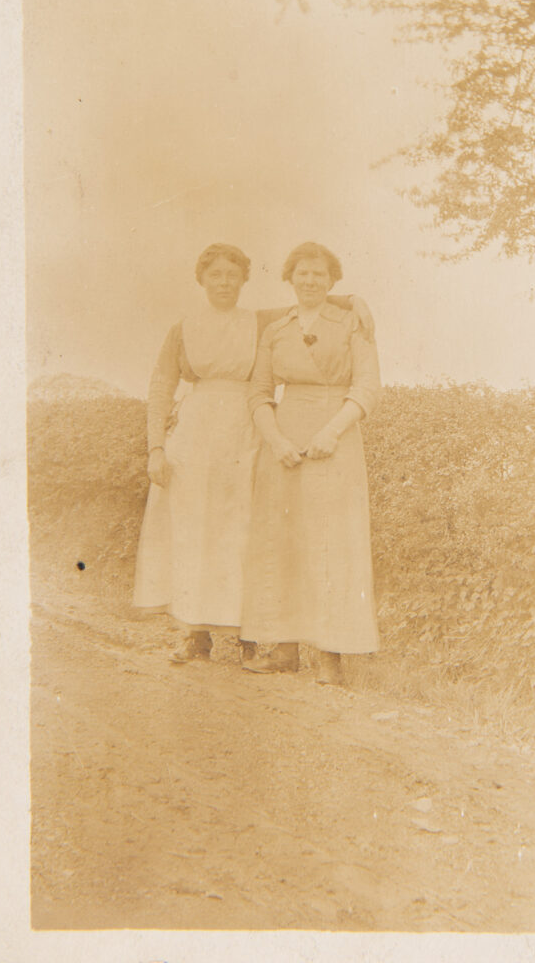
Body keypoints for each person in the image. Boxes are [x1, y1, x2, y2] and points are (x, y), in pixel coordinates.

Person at [133, 242, 374, 663]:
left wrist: (352, 299)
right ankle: (194, 634)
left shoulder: (262, 321)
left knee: (245, 530)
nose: (224, 283)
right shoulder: (183, 327)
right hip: (193, 437)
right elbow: (160, 387)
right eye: (215, 276)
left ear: (245, 280)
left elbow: (309, 297)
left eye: (233, 275)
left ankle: (246, 637)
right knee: (193, 529)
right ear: (201, 279)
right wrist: (155, 447)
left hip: (247, 433)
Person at [240, 242, 381, 685]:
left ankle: (329, 656)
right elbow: (259, 392)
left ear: (332, 280)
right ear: (290, 277)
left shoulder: (352, 322)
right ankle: (284, 649)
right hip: (284, 440)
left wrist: (332, 431)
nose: (310, 281)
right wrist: (276, 439)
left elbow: (368, 388)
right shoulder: (275, 328)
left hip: (334, 437)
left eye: (319, 274)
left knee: (331, 541)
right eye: (302, 273)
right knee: (282, 539)